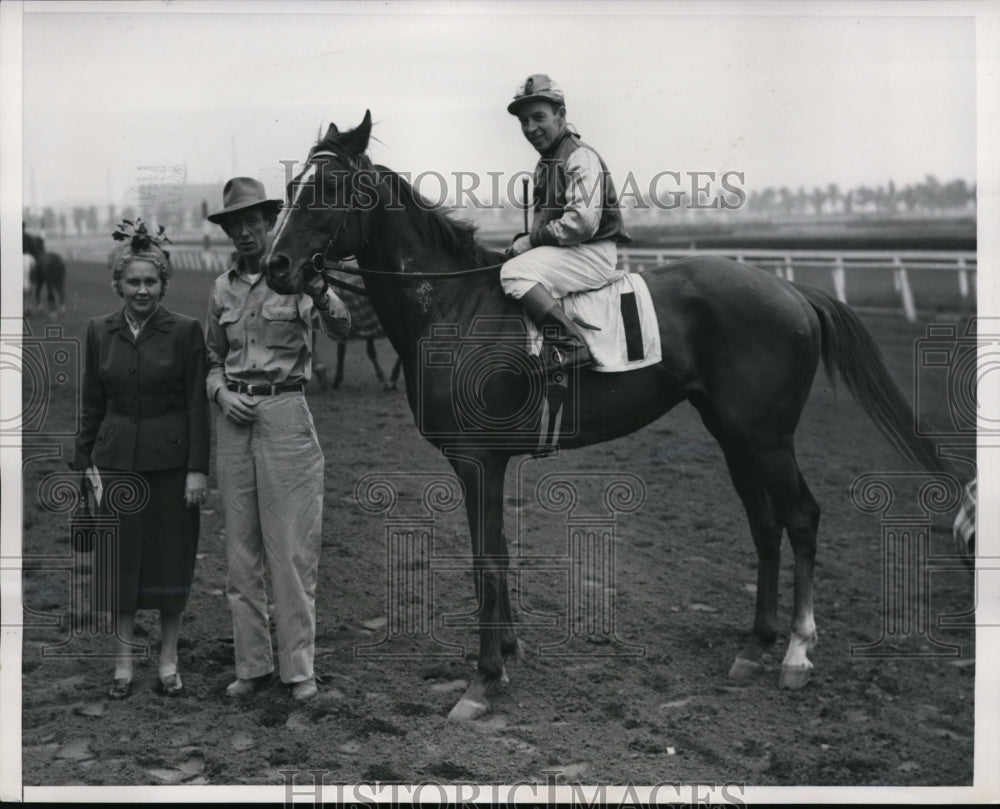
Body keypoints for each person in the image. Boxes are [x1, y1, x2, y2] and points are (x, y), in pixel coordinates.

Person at [204, 177, 351, 702]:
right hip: (233, 420)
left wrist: (317, 288)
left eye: (252, 222)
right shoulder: (221, 289)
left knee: (289, 552)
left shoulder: (294, 280)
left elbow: (342, 326)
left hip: (286, 413)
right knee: (240, 556)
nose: (244, 232)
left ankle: (299, 672)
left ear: (270, 225)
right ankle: (252, 667)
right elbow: (213, 359)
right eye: (233, 225)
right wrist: (220, 393)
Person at [74, 219, 209, 699]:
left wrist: (197, 469)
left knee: (171, 562)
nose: (142, 290)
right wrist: (83, 462)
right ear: (118, 284)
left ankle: (169, 659)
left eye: (151, 281)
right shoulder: (98, 332)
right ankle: (124, 662)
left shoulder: (187, 332)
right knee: (119, 564)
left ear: (164, 283)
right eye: (133, 281)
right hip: (113, 466)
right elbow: (91, 403)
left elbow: (197, 404)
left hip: (172, 468)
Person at [501, 73, 632, 369]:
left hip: (592, 252)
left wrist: (532, 241)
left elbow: (582, 223)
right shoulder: (546, 162)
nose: (531, 128)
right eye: (524, 122)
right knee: (506, 264)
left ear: (560, 115)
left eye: (538, 117)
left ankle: (572, 345)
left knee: (513, 274)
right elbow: (544, 222)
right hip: (571, 251)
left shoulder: (579, 156)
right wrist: (525, 242)